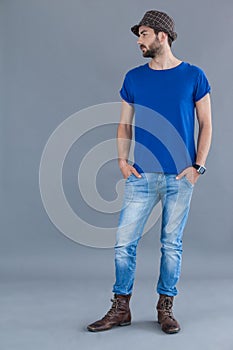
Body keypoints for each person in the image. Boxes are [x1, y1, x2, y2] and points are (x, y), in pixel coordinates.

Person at [87, 9, 212, 334]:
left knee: (171, 245)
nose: (138, 41)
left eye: (143, 34)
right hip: (140, 176)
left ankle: (165, 308)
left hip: (179, 177)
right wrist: (122, 161)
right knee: (123, 243)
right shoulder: (134, 78)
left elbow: (206, 124)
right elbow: (124, 123)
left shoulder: (194, 76)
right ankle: (121, 308)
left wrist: (198, 166)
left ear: (162, 35)